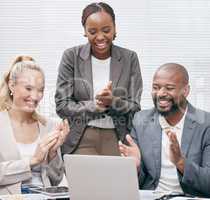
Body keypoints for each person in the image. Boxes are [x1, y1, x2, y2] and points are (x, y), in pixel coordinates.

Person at [55, 2, 142, 155]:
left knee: (117, 179)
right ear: (85, 31)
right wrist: (94, 106)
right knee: (82, 179)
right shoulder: (71, 57)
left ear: (115, 28)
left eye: (106, 30)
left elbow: (135, 107)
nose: (100, 37)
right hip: (81, 137)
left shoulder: (130, 58)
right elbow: (62, 106)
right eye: (92, 31)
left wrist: (113, 102)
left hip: (117, 137)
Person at [119, 63, 210, 198]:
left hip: (189, 196)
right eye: (156, 87)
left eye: (169, 88)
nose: (161, 93)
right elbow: (137, 183)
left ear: (186, 91)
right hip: (151, 195)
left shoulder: (205, 124)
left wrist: (180, 162)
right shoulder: (141, 120)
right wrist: (136, 167)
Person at [0, 56, 69, 195]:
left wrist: (53, 153)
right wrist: (32, 161)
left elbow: (56, 180)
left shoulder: (48, 126)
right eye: (28, 88)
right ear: (11, 85)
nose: (36, 96)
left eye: (40, 90)